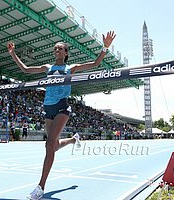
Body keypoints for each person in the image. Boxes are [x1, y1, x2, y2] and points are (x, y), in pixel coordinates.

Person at [7, 31, 116, 200]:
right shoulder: (48, 68)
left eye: (60, 48)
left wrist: (105, 47)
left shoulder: (71, 68)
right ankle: (73, 139)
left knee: (49, 144)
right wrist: (13, 53)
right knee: (54, 146)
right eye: (55, 48)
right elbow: (25, 69)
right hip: (48, 107)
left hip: (61, 107)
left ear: (66, 53)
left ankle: (40, 187)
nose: (57, 50)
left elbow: (95, 63)